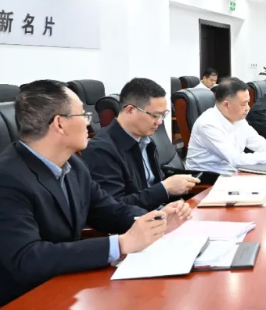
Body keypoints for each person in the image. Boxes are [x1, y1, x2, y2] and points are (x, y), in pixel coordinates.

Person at [0, 80, 190, 306]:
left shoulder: (74, 166)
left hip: (67, 285)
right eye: (83, 115)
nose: (89, 124)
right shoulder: (8, 178)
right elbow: (27, 258)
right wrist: (120, 244)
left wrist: (156, 220)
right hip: (25, 298)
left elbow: (109, 210)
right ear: (60, 124)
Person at [82, 78, 199, 210]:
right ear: (130, 110)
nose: (159, 122)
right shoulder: (101, 150)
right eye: (155, 115)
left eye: (163, 115)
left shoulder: (146, 141)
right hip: (137, 220)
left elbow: (153, 187)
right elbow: (114, 208)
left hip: (159, 213)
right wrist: (164, 189)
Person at [185, 77, 266, 175]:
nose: (248, 108)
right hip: (207, 181)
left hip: (232, 173)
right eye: (244, 104)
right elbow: (236, 159)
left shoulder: (238, 118)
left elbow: (258, 142)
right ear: (226, 105)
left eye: (248, 102)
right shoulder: (208, 125)